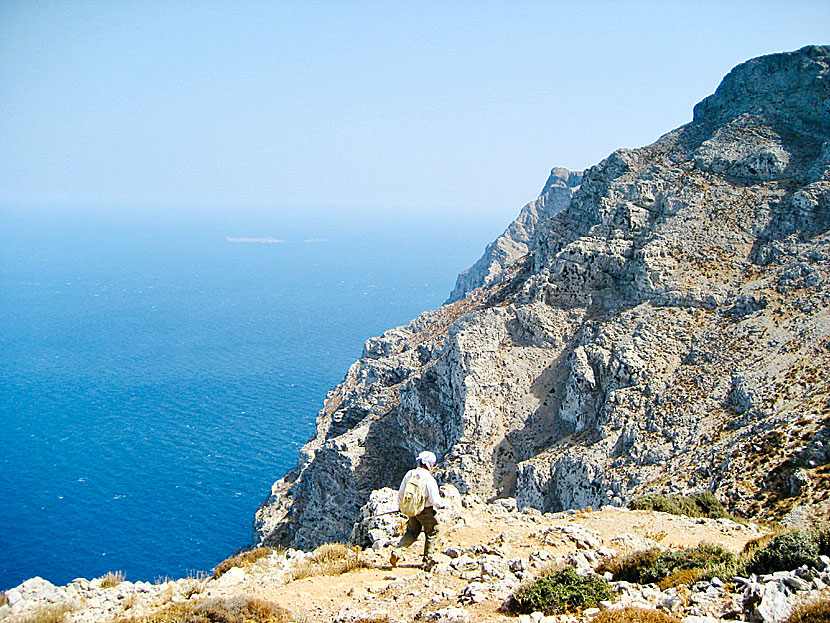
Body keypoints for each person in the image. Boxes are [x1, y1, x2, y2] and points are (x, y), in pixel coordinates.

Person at [395, 450, 446, 569]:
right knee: (433, 530)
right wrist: (443, 505)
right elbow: (436, 501)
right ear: (428, 464)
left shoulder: (410, 474)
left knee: (412, 531)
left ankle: (397, 552)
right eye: (432, 464)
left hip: (412, 509)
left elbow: (401, 492)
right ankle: (427, 560)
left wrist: (402, 506)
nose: (433, 466)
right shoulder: (429, 479)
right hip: (425, 510)